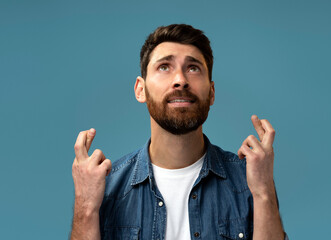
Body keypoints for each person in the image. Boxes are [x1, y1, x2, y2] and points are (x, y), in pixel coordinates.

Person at [71, 24, 288, 240]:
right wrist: (85, 204)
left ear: (211, 93)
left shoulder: (249, 181)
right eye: (164, 67)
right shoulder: (107, 187)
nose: (180, 80)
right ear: (140, 89)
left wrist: (263, 192)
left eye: (193, 68)